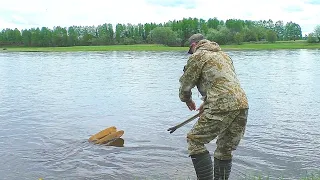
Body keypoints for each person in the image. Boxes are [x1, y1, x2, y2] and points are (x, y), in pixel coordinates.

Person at [179, 33, 249, 180]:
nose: (191, 54)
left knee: (194, 141)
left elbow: (186, 84)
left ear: (193, 46)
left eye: (190, 51)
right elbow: (222, 83)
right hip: (242, 103)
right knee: (224, 149)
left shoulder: (198, 56)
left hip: (222, 104)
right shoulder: (224, 56)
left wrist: (187, 100)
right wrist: (206, 102)